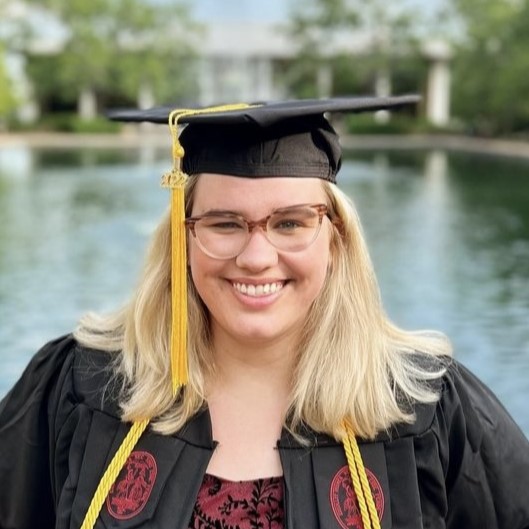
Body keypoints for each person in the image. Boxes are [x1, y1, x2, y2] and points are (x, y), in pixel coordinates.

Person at [1, 96, 528, 529]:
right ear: (182, 240)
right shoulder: (83, 385)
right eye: (224, 223)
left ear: (335, 239)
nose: (256, 257)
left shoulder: (426, 408)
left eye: (291, 223)